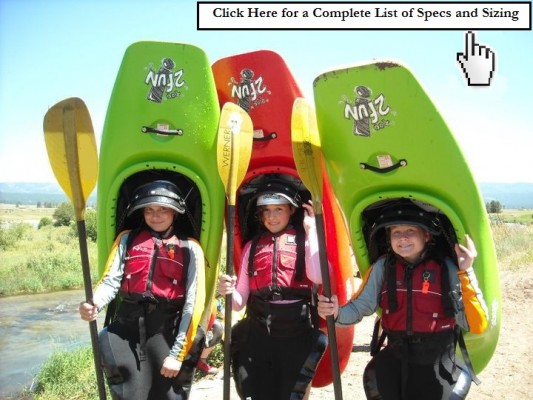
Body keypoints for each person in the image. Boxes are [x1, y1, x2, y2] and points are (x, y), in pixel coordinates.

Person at [317, 200, 489, 400]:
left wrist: (466, 271)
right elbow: (359, 307)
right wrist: (335, 312)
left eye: (410, 230)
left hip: (437, 362)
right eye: (396, 232)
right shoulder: (383, 267)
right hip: (396, 357)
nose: (403, 238)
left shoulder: (445, 268)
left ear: (427, 235)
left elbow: (476, 324)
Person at [79, 180, 206, 400]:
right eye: (149, 209)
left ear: (175, 212)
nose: (155, 216)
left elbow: (192, 303)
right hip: (127, 328)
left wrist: (177, 354)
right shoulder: (127, 239)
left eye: (163, 209)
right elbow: (111, 280)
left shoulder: (190, 248)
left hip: (167, 332)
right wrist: (94, 304)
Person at [218, 178, 328, 400]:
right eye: (266, 210)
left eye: (279, 209)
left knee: (293, 393)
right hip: (260, 329)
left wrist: (311, 231)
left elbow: (318, 276)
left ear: (292, 210)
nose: (272, 216)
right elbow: (239, 302)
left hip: (297, 328)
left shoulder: (304, 241)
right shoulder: (252, 247)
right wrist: (227, 291)